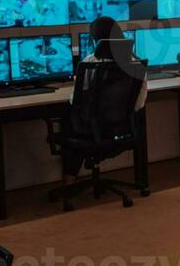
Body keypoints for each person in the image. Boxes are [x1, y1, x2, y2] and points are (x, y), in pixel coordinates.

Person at [58, 15, 150, 186]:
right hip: (122, 129)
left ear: (95, 40)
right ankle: (142, 183)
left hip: (91, 130)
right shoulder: (136, 63)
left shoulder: (90, 63)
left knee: (66, 123)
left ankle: (68, 187)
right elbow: (139, 104)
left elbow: (75, 102)